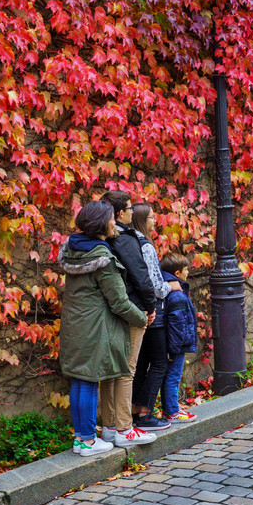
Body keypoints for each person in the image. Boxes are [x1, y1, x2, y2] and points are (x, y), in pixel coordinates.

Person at [58, 200, 149, 456]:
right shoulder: (102, 257)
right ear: (101, 223)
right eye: (111, 219)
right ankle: (87, 441)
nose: (114, 223)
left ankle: (80, 438)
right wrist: (141, 318)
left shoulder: (74, 250)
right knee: (88, 381)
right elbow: (119, 302)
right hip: (95, 327)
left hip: (75, 325)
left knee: (79, 380)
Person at [96, 191, 159, 447]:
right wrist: (151, 305)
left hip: (110, 310)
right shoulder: (125, 238)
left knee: (111, 371)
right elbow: (139, 274)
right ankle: (124, 428)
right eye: (130, 209)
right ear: (120, 213)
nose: (133, 213)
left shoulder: (103, 237)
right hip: (132, 308)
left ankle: (110, 427)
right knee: (127, 368)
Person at [129, 202, 180, 431]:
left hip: (136, 310)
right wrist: (172, 286)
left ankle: (133, 411)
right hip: (153, 312)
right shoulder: (145, 246)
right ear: (141, 220)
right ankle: (145, 414)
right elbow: (155, 286)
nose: (154, 221)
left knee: (140, 364)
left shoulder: (128, 242)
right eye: (151, 217)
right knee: (159, 362)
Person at [160, 251, 199, 423]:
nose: (188, 272)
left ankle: (169, 409)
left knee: (170, 376)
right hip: (176, 345)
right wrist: (175, 349)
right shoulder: (176, 293)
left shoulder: (173, 288)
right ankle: (172, 411)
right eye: (186, 269)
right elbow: (177, 323)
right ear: (177, 273)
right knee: (173, 376)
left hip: (173, 344)